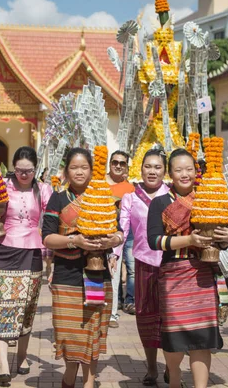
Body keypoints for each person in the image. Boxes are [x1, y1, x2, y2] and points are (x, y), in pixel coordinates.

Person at [146, 148, 228, 388]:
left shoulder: (209, 197)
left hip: (203, 274)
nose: (185, 174)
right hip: (173, 275)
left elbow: (223, 240)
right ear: (169, 174)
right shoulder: (160, 203)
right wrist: (190, 241)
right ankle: (174, 380)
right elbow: (154, 241)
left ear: (197, 171)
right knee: (174, 337)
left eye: (189, 169)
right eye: (178, 170)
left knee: (203, 337)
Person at [43, 148, 122, 388]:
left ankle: (89, 382)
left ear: (91, 169)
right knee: (69, 333)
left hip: (97, 276)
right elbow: (47, 238)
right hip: (66, 276)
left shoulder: (102, 196)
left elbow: (118, 232)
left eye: (84, 167)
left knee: (93, 333)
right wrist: (73, 241)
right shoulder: (58, 198)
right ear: (66, 171)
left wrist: (112, 241)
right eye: (74, 167)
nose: (79, 172)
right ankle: (69, 376)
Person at [0, 146, 52, 387]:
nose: (24, 175)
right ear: (13, 168)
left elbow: (51, 222)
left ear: (36, 169)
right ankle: (3, 367)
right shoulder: (2, 187)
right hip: (2, 250)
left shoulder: (45, 190)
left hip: (32, 252)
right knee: (4, 306)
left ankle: (22, 355)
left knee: (27, 306)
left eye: (28, 171)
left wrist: (52, 257)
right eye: (19, 170)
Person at [114, 148, 170, 385]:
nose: (152, 171)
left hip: (170, 263)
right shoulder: (130, 196)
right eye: (148, 166)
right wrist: (115, 254)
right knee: (146, 317)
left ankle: (171, 363)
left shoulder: (172, 194)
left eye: (158, 167)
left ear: (165, 171)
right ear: (140, 167)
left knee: (169, 317)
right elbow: (122, 229)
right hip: (143, 264)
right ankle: (151, 368)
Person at [106, 150, 135, 327]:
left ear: (126, 166)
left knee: (130, 267)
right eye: (115, 162)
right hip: (105, 229)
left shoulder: (130, 188)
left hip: (127, 231)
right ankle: (109, 307)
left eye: (122, 163)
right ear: (110, 163)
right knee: (110, 268)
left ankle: (126, 303)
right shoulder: (99, 183)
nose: (118, 165)